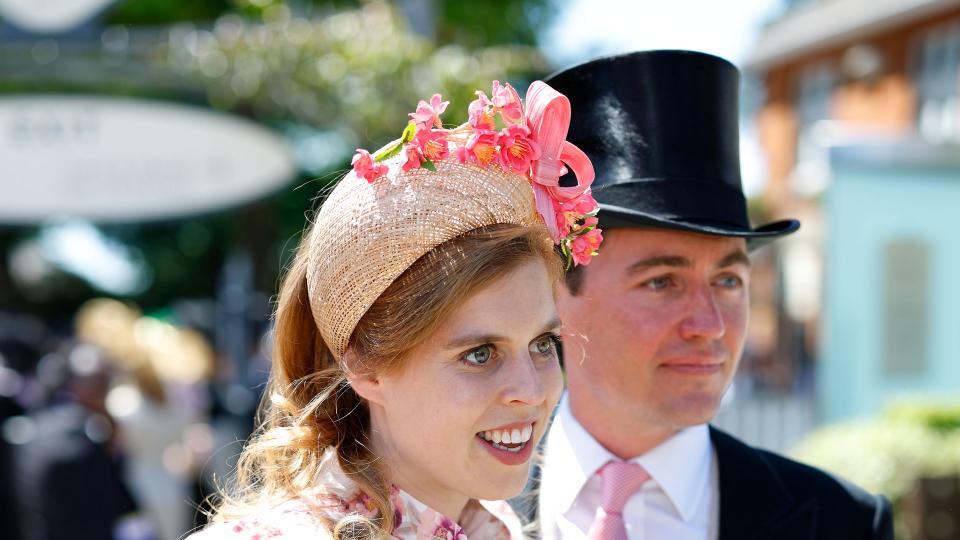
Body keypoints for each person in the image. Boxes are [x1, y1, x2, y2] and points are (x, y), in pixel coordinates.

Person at [189, 79, 602, 539]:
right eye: (480, 354)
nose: (532, 390)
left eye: (543, 344)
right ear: (365, 366)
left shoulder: (492, 524)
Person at [535, 50, 893, 540]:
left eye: (728, 281)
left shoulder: (841, 523)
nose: (710, 325)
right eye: (661, 282)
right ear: (557, 292)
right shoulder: (449, 507)